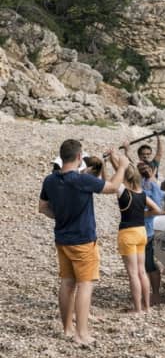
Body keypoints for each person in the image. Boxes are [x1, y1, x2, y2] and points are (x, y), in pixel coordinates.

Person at [38, 139, 128, 345]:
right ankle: (81, 334)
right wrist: (122, 165)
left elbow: (43, 207)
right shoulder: (81, 180)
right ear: (79, 157)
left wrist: (61, 216)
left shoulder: (50, 180)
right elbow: (114, 186)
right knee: (85, 285)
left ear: (62, 157)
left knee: (67, 283)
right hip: (83, 240)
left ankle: (68, 329)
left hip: (62, 239)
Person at [117, 164, 165, 313]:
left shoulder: (123, 192)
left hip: (128, 233)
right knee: (142, 271)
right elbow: (157, 210)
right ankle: (147, 307)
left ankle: (137, 308)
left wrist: (110, 164)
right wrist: (141, 214)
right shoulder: (142, 194)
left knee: (133, 273)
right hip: (142, 232)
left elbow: (110, 182)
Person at [137, 161, 165, 304]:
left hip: (147, 230)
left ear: (153, 169)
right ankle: (145, 294)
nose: (144, 170)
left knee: (148, 264)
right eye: (141, 168)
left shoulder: (153, 185)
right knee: (140, 265)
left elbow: (158, 210)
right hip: (135, 230)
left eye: (147, 168)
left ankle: (155, 294)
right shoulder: (138, 184)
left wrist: (138, 214)